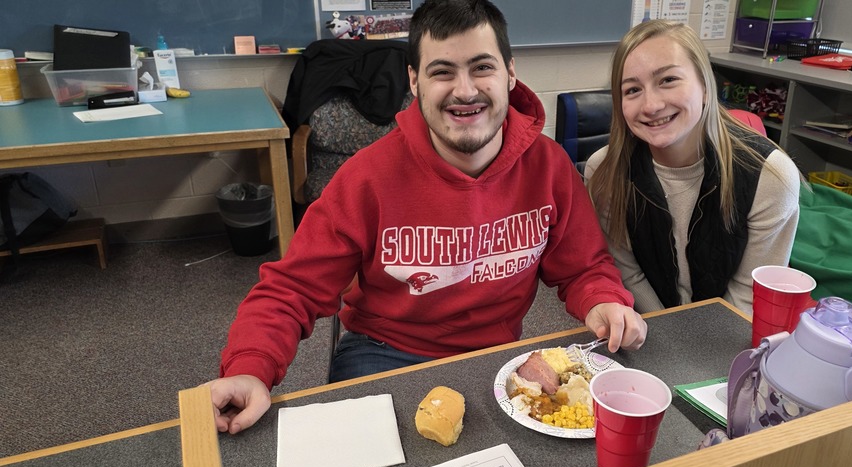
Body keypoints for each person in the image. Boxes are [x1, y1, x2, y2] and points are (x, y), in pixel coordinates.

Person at [207, 0, 647, 435]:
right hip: (384, 351)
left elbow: (585, 267)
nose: (465, 90)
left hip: (497, 356)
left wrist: (602, 299)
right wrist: (251, 369)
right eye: (442, 72)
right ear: (414, 81)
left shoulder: (549, 167)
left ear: (510, 73)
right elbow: (292, 289)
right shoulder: (367, 177)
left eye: (482, 67)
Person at [584, 20, 801, 316]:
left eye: (668, 80)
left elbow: (749, 295)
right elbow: (628, 275)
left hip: (729, 331)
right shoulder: (604, 171)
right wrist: (668, 337)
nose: (651, 105)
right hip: (649, 327)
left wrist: (694, 351)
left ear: (705, 86)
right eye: (632, 90)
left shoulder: (771, 176)